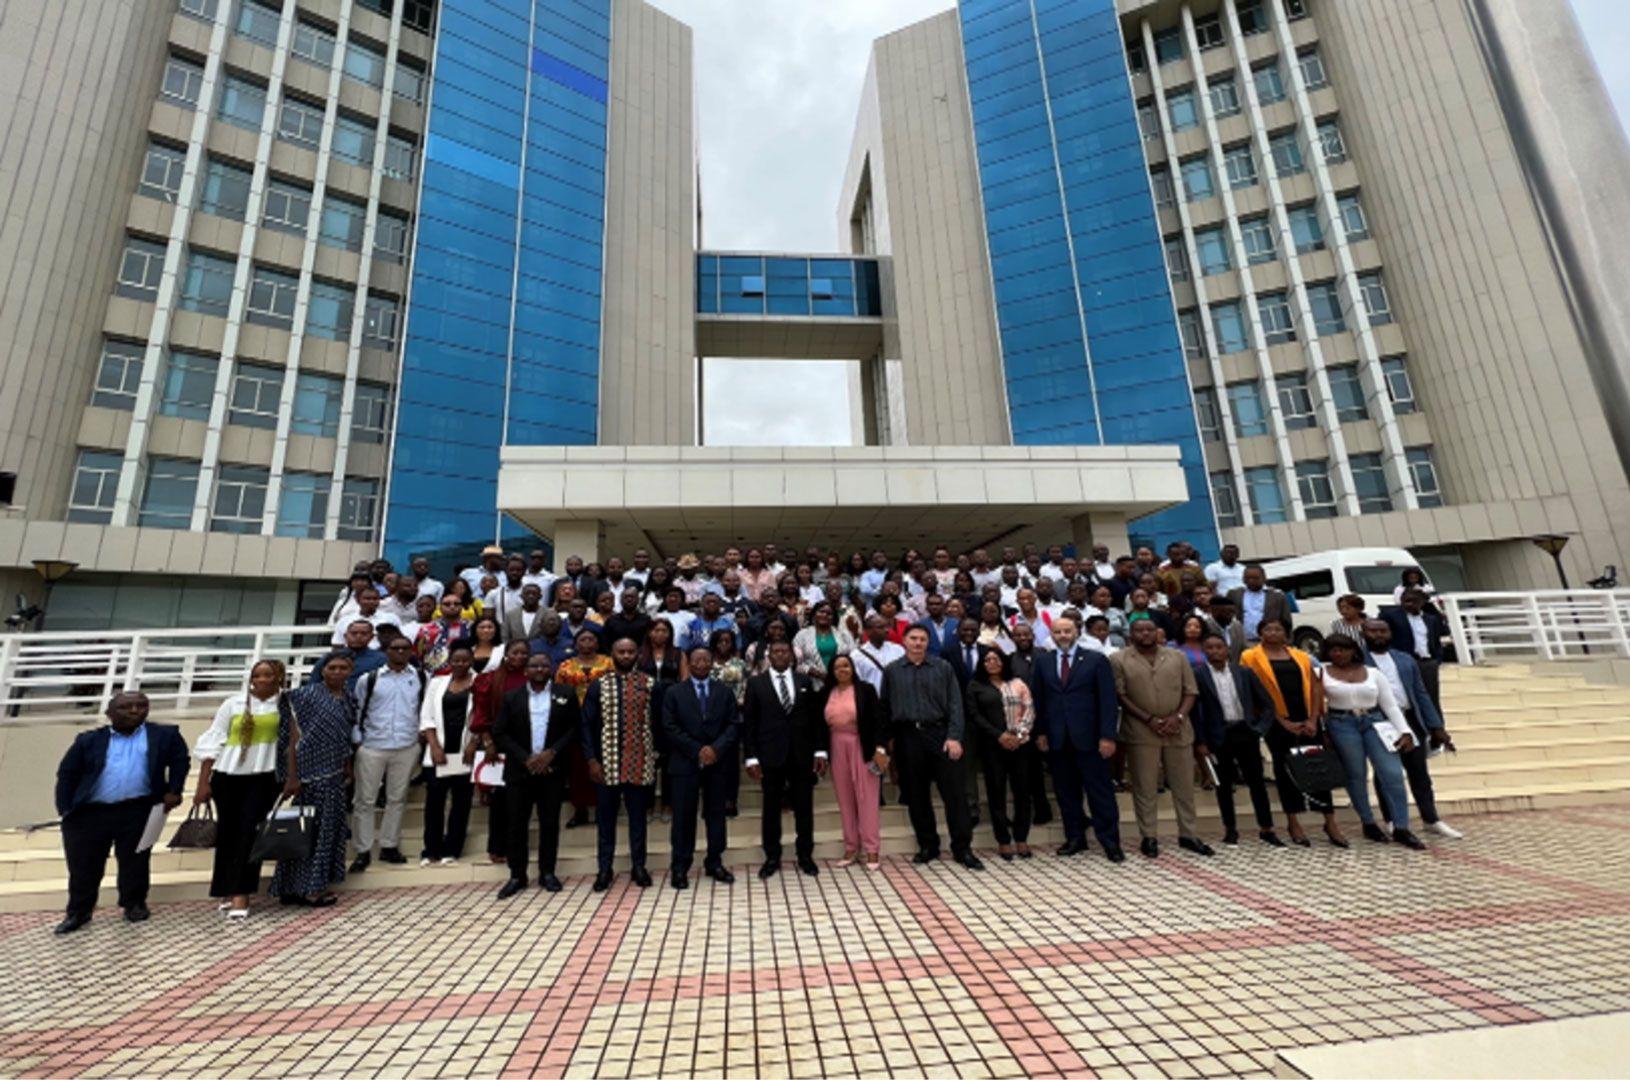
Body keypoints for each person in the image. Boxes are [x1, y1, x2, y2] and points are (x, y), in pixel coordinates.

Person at [53, 691, 189, 934]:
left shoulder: (164, 735)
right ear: (110, 713)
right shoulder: (88, 740)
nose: (135, 710)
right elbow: (67, 774)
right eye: (127, 707)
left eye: (141, 705)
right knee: (84, 865)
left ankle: (134, 904)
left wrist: (175, 789)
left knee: (135, 860)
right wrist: (66, 809)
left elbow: (181, 760)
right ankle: (79, 912)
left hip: (138, 809)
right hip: (90, 813)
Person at [878, 626, 983, 871]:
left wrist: (955, 737)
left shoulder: (943, 668)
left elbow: (956, 704)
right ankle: (928, 845)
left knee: (955, 795)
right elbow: (885, 707)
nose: (918, 643)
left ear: (928, 643)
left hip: (941, 735)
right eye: (913, 638)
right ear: (904, 641)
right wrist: (886, 745)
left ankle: (962, 848)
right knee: (916, 796)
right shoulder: (893, 671)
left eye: (922, 639)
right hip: (908, 737)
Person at [194, 659, 288, 918]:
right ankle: (225, 888)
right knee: (228, 833)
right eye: (256, 675)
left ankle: (242, 893)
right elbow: (214, 739)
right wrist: (203, 782)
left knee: (250, 834)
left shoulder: (286, 704)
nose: (261, 679)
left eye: (268, 675)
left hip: (264, 776)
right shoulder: (233, 704)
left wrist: (291, 778)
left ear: (279, 677)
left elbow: (292, 743)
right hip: (228, 775)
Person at [1241, 619, 1347, 848]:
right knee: (1285, 769)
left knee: (1319, 768)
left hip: (1308, 718)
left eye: (1278, 629)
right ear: (1260, 633)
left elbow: (1316, 686)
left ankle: (1329, 821)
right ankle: (1293, 820)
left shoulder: (1300, 655)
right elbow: (1250, 691)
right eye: (1268, 629)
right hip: (1275, 721)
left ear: (1286, 634)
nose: (1273, 632)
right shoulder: (1250, 657)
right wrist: (1282, 721)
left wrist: (1313, 718)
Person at [1112, 620, 1208, 858]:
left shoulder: (1177, 657)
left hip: (1178, 729)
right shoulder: (1119, 659)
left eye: (1149, 630)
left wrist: (1178, 716)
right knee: (1145, 787)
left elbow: (1191, 691)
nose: (1145, 634)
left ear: (1157, 632)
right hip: (1141, 731)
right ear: (1130, 634)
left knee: (1184, 785)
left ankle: (1188, 834)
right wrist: (1149, 719)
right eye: (1139, 630)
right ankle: (1149, 836)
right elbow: (1120, 694)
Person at [1319, 634, 1424, 849]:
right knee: (1355, 774)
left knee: (1392, 772)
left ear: (1354, 650)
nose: (1339, 653)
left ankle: (1402, 826)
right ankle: (1368, 821)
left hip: (1374, 721)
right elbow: (1316, 704)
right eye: (1333, 650)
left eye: (1343, 649)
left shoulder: (1373, 673)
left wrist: (1404, 731)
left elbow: (1390, 705)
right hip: (1341, 722)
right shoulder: (1320, 672)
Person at [1031, 615, 1123, 862]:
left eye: (1067, 631)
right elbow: (1038, 700)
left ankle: (1110, 841)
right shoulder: (1043, 662)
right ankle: (1075, 838)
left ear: (1076, 632)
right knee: (1066, 793)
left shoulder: (1096, 660)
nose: (1063, 636)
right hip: (1058, 739)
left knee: (1100, 792)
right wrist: (1040, 732)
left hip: (1091, 739)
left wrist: (1107, 736)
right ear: (1052, 634)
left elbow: (1108, 701)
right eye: (1058, 632)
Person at [1363, 619, 1462, 839]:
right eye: (1373, 631)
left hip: (1410, 719)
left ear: (1390, 632)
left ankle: (1431, 819)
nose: (1378, 635)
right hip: (1380, 721)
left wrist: (1436, 726)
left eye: (1383, 630)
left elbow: (1420, 693)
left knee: (1419, 773)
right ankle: (1392, 820)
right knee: (1387, 773)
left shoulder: (1404, 659)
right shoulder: (1359, 660)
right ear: (1364, 632)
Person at [494, 652, 582, 898]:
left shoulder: (566, 694)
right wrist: (526, 758)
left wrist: (551, 753)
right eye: (534, 665)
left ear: (551, 668)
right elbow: (500, 733)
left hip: (552, 770)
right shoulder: (512, 697)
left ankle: (547, 873)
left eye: (545, 665)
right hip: (519, 771)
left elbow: (575, 728)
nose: (540, 669)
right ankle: (517, 876)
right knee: (516, 825)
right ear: (526, 671)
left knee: (549, 823)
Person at [270, 654, 355, 907]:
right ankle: (306, 890)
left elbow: (343, 736)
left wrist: (347, 765)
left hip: (334, 774)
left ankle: (302, 886)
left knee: (325, 832)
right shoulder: (305, 696)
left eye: (343, 668)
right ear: (322, 670)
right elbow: (292, 739)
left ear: (350, 671)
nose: (337, 672)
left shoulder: (348, 698)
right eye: (332, 667)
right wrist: (292, 777)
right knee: (305, 833)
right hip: (309, 775)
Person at [743, 640, 827, 878]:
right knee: (771, 808)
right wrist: (751, 757)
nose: (780, 655)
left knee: (804, 807)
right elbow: (749, 723)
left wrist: (820, 751)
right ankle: (772, 856)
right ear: (769, 656)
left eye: (785, 652)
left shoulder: (804, 682)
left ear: (792, 656)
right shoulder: (756, 683)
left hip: (801, 755)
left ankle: (805, 855)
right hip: (770, 756)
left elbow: (815, 719)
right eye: (776, 651)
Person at [660, 645, 740, 889]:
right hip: (685, 763)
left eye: (706, 660)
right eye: (697, 660)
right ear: (689, 663)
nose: (702, 664)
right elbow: (669, 726)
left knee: (716, 815)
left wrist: (715, 749)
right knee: (683, 817)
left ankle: (714, 862)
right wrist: (698, 750)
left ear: (712, 662)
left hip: (717, 763)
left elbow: (734, 724)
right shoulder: (674, 692)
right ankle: (680, 866)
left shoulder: (724, 692)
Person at [582, 639, 659, 891]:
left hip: (640, 763)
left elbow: (658, 721)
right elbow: (586, 725)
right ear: (612, 654)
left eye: (630, 651)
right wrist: (592, 760)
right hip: (607, 764)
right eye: (621, 652)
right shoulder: (598, 685)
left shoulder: (649, 684)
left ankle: (639, 867)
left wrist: (656, 755)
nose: (626, 655)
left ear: (638, 653)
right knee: (606, 821)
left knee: (638, 819)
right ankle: (605, 869)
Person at [1191, 633, 1282, 847]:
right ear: (1204, 651)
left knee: (1257, 782)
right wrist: (1201, 740)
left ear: (1228, 650)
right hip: (1218, 734)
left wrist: (1259, 729)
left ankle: (1266, 828)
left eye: (1219, 647)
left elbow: (1268, 704)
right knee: (1224, 785)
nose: (1215, 651)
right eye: (1210, 647)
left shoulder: (1244, 672)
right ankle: (1230, 829)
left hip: (1246, 731)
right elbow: (1195, 712)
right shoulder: (1198, 675)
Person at [349, 638, 426, 873]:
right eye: (395, 648)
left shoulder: (421, 677)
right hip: (373, 745)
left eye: (405, 648)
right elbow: (358, 709)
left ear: (411, 651)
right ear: (385, 651)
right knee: (365, 800)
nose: (400, 652)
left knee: (397, 798)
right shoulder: (369, 679)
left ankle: (389, 845)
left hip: (406, 744)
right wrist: (358, 740)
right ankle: (362, 849)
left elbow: (422, 707)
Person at [965, 649, 1037, 861]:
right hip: (992, 746)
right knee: (996, 794)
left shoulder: (1018, 684)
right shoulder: (975, 686)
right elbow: (974, 715)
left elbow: (1029, 709)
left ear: (1004, 662)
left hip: (1020, 745)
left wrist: (1018, 735)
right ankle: (1003, 840)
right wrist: (1000, 735)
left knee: (1022, 792)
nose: (992, 662)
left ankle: (1022, 837)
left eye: (996, 659)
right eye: (987, 660)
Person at [819, 654, 886, 871]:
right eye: (837, 667)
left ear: (853, 668)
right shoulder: (825, 693)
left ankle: (872, 849)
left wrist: (879, 748)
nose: (842, 670)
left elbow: (878, 721)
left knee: (866, 798)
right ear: (832, 671)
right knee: (845, 799)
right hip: (837, 746)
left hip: (862, 746)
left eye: (846, 666)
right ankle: (850, 846)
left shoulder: (866, 690)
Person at [471, 638, 531, 864]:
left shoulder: (534, 676)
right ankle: (498, 846)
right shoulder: (491, 679)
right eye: (515, 653)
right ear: (506, 654)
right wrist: (488, 743)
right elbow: (481, 714)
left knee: (522, 801)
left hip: (527, 745)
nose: (520, 657)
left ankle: (518, 846)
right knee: (500, 801)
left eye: (524, 653)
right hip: (499, 745)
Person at [418, 645, 476, 866]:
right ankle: (431, 849)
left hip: (464, 752)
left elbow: (482, 717)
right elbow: (427, 717)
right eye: (456, 660)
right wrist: (434, 746)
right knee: (434, 801)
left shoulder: (479, 682)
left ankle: (452, 848)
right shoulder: (437, 683)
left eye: (464, 660)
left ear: (471, 661)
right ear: (449, 661)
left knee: (461, 803)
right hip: (439, 751)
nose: (460, 664)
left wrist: (473, 743)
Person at [1381, 588, 1447, 712]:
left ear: (1422, 602)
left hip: (1427, 663)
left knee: (1431, 698)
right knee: (1408, 697)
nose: (1409, 604)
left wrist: (1437, 660)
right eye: (1406, 601)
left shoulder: (1430, 619)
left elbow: (1436, 641)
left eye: (1414, 601)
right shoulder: (1390, 616)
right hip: (1403, 662)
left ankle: (1436, 727)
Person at [792, 600, 855, 690]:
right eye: (821, 612)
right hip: (812, 685)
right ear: (814, 614)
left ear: (833, 617)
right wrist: (815, 672)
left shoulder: (843, 634)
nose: (825, 615)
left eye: (829, 613)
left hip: (841, 682)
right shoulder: (802, 635)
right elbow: (796, 663)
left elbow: (854, 657)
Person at [311, 619, 385, 689]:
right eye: (354, 633)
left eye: (364, 634)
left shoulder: (381, 659)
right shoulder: (329, 658)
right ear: (345, 636)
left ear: (371, 637)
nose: (358, 637)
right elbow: (313, 684)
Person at [1228, 565, 1291, 646]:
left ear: (1264, 578)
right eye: (1248, 578)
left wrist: (1287, 641)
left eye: (1255, 578)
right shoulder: (1234, 594)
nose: (1251, 581)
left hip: (1270, 642)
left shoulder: (1277, 596)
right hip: (1243, 642)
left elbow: (1286, 620)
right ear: (1243, 579)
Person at [416, 593, 469, 674]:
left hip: (465, 675)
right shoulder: (426, 629)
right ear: (440, 607)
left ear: (462, 606)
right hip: (435, 675)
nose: (452, 607)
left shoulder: (471, 627)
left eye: (456, 604)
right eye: (447, 604)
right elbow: (419, 654)